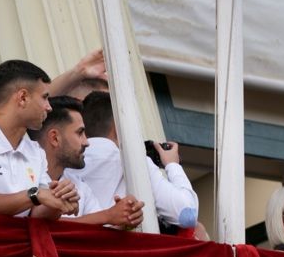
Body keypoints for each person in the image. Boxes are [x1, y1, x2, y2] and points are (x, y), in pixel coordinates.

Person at [0, 60, 75, 218]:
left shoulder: (36, 151)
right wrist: (34, 195)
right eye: (45, 97)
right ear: (23, 97)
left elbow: (38, 214)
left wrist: (61, 201)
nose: (49, 107)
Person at [66, 90, 198, 231]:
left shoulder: (63, 163)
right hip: (121, 250)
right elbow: (186, 215)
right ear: (118, 129)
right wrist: (173, 165)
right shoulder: (135, 162)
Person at [31, 96, 144, 229]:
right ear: (55, 138)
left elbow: (99, 230)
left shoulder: (79, 185)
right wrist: (108, 216)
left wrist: (125, 217)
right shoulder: (24, 174)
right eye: (80, 133)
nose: (86, 142)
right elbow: (40, 225)